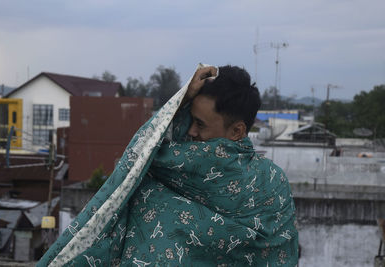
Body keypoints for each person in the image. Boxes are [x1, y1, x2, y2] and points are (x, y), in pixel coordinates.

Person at [38, 64, 298, 267]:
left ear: (237, 130)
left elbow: (141, 154)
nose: (192, 132)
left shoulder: (177, 165)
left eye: (200, 124)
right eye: (189, 120)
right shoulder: (274, 180)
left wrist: (181, 101)